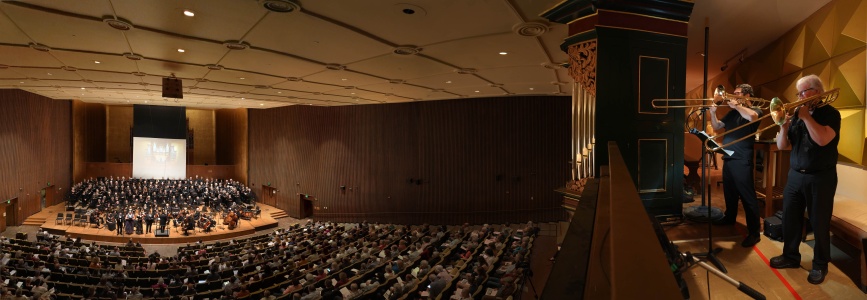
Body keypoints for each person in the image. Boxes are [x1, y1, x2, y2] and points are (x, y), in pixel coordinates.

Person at [769, 74, 840, 285]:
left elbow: (822, 139)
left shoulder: (830, 114)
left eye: (803, 91)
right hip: (795, 176)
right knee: (790, 218)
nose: (799, 96)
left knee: (819, 222)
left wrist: (807, 117)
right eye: (798, 93)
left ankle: (820, 264)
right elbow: (782, 146)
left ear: (817, 92)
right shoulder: (797, 117)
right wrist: (782, 125)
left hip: (821, 177)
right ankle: (790, 257)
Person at [709, 83, 762, 247]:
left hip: (741, 159)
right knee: (729, 192)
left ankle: (754, 232)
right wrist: (713, 112)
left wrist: (738, 106)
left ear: (747, 96)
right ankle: (729, 218)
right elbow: (717, 126)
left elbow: (752, 117)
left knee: (747, 197)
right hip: (729, 157)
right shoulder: (732, 114)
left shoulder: (756, 111)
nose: (733, 96)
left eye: (737, 93)